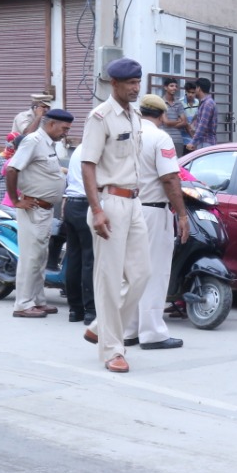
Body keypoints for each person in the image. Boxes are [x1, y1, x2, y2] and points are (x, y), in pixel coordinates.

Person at [81, 57, 152, 374]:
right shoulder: (100, 117)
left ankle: (100, 326)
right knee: (109, 279)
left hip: (134, 201)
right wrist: (96, 209)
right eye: (130, 83)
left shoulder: (135, 115)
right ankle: (112, 349)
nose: (136, 88)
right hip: (109, 202)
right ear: (115, 85)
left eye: (138, 82)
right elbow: (88, 164)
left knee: (141, 274)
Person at [126, 94, 190, 351]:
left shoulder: (128, 134)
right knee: (155, 271)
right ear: (162, 116)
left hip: (128, 208)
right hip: (153, 211)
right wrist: (182, 214)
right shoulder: (160, 137)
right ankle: (152, 332)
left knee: (132, 272)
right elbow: (170, 179)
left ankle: (129, 329)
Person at [5, 109, 73, 319]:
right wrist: (16, 200)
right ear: (51, 124)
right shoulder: (33, 141)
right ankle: (23, 304)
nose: (65, 133)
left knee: (40, 257)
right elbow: (12, 169)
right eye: (64, 128)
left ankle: (37, 300)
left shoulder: (48, 144)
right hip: (33, 208)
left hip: (44, 209)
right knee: (31, 257)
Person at [62, 143, 96, 324]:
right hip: (87, 204)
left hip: (72, 202)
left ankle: (75, 309)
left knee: (74, 258)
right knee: (90, 260)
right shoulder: (94, 148)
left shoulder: (79, 148)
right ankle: (91, 310)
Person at [160, 78, 190, 157]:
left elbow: (185, 122)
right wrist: (178, 121)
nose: (174, 88)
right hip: (164, 138)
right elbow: (166, 122)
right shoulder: (161, 102)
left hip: (177, 139)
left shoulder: (178, 103)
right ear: (165, 87)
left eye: (176, 86)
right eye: (171, 86)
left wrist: (172, 123)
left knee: (179, 164)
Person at [186, 78, 218, 151]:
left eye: (196, 88)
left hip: (206, 142)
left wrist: (193, 142)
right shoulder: (205, 102)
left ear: (199, 88)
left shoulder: (207, 103)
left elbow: (202, 125)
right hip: (203, 142)